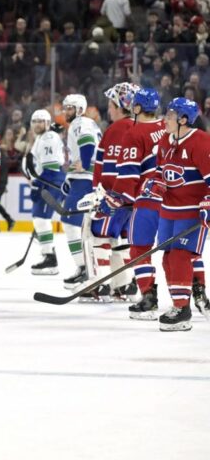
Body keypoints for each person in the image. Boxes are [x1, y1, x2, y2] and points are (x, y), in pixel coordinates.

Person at [104, 88, 165, 318]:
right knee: (180, 251)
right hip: (171, 200)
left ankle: (148, 296)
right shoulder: (165, 128)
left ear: (137, 108)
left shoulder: (134, 132)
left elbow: (129, 175)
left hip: (148, 199)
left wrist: (116, 199)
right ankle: (196, 295)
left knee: (139, 247)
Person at [157, 98, 210, 331]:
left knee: (180, 256)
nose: (165, 119)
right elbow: (160, 174)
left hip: (191, 212)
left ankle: (183, 309)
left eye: (169, 115)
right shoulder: (164, 141)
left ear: (183, 119)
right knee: (168, 258)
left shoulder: (201, 142)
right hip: (168, 211)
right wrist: (154, 185)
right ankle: (183, 302)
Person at [83, 82, 139, 302]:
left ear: (120, 105)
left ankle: (102, 284)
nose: (108, 108)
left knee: (97, 234)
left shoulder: (117, 129)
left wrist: (101, 193)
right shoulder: (140, 127)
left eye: (111, 103)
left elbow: (110, 167)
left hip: (113, 197)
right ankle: (124, 285)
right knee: (122, 239)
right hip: (133, 199)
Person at [60, 94, 100, 289]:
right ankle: (89, 269)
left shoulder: (79, 122)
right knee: (85, 228)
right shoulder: (88, 123)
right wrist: (70, 177)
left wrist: (84, 165)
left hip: (85, 181)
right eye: (65, 108)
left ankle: (84, 269)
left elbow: (87, 144)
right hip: (85, 180)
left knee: (70, 224)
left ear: (79, 109)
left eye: (69, 108)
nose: (65, 112)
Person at [22, 109, 65, 275]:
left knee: (41, 219)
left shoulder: (48, 138)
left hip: (52, 182)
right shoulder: (41, 137)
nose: (37, 124)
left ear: (47, 123)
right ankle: (48, 253)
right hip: (47, 181)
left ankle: (50, 259)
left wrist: (38, 185)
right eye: (35, 121)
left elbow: (51, 168)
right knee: (39, 219)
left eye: (41, 121)